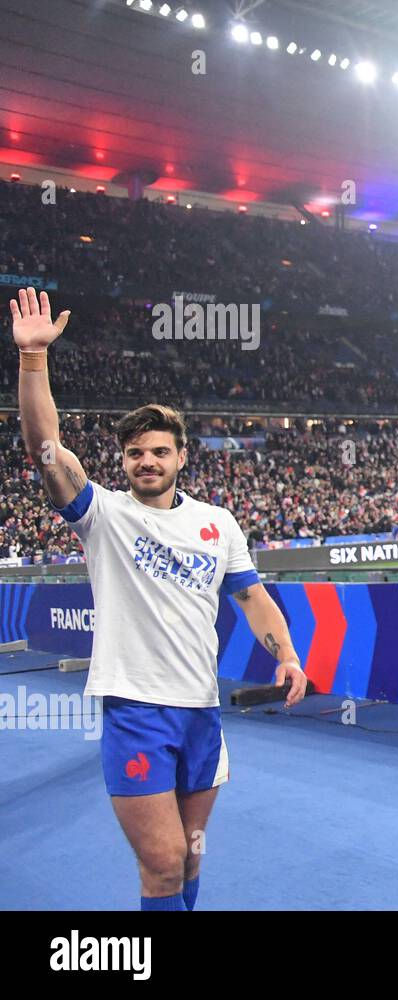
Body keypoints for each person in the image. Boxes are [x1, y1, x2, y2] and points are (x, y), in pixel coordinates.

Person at [11, 287, 307, 911]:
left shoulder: (218, 523)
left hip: (201, 711)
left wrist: (286, 655)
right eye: (134, 452)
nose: (146, 460)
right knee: (163, 863)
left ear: (181, 457)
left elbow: (251, 598)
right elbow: (45, 449)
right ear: (122, 461)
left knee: (192, 857)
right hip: (136, 710)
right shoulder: (103, 515)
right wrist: (34, 359)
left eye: (158, 450)